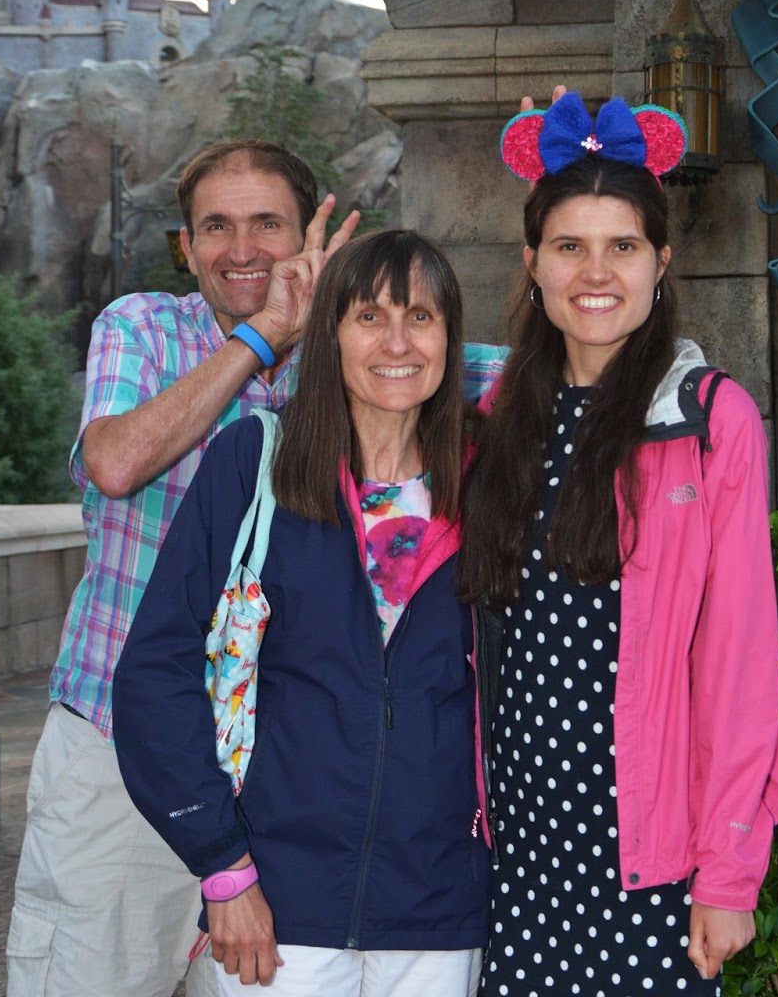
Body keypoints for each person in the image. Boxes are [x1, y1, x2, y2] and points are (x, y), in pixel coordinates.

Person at [459, 93, 778, 996]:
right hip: (514, 848)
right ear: (532, 264)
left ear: (661, 262)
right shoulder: (493, 418)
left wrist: (727, 874)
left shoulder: (707, 419)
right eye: (568, 246)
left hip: (647, 851)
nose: (595, 272)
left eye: (622, 246)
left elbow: (739, 662)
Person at [7, 138, 358, 997]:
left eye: (266, 224)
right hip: (116, 752)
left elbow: (491, 384)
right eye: (215, 227)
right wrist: (262, 337)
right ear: (188, 245)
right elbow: (115, 462)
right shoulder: (140, 327)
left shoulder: (358, 355)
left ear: (307, 237)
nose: (241, 249)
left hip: (281, 768)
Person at [113, 229, 491, 995]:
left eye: (420, 317)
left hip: (442, 904)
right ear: (329, 335)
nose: (396, 343)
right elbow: (155, 674)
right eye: (368, 317)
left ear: (451, 338)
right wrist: (222, 867)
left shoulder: (494, 480)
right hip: (278, 904)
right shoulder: (254, 461)